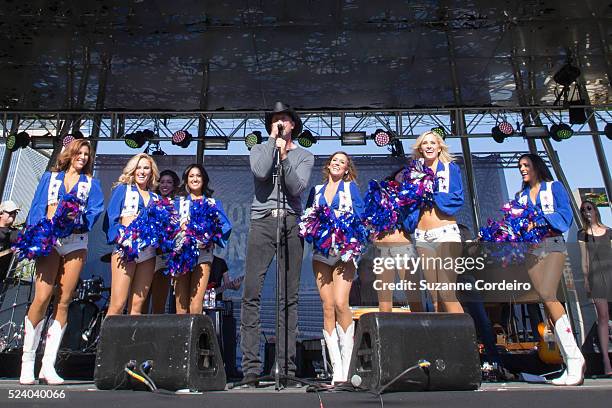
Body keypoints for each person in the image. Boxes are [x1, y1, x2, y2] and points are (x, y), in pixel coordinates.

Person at [238, 102, 314, 387]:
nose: (279, 123)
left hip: (291, 222)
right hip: (262, 222)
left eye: (284, 119)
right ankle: (251, 369)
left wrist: (285, 155)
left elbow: (295, 188)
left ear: (293, 124)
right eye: (275, 120)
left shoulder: (305, 155)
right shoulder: (259, 148)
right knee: (252, 293)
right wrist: (272, 143)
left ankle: (287, 367)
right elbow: (260, 172)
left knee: (288, 296)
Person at [20, 139, 104, 385]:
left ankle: (48, 365)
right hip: (49, 239)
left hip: (76, 240)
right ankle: (27, 362)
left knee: (64, 299)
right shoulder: (50, 178)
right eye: (80, 153)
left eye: (87, 154)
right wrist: (37, 233)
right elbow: (36, 208)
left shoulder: (92, 184)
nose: (84, 157)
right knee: (42, 296)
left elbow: (95, 210)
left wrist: (78, 217)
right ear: (70, 153)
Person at [515, 153, 584, 386]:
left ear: (536, 166)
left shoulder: (553, 187)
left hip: (552, 244)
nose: (522, 169)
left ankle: (576, 358)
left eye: (526, 165)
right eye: (520, 166)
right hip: (531, 250)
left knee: (548, 295)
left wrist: (539, 219)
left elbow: (564, 217)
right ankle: (567, 361)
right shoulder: (520, 196)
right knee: (545, 301)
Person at [305, 151, 364, 384]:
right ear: (328, 166)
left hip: (344, 254)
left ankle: (349, 366)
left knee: (341, 303)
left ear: (347, 169)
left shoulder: (351, 190)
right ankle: (336, 368)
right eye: (334, 161)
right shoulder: (316, 191)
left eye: (343, 162)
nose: (338, 164)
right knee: (327, 307)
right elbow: (308, 220)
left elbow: (360, 218)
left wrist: (352, 240)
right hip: (321, 253)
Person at [409, 130, 464, 313]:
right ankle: (443, 341)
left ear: (440, 147)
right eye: (425, 143)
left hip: (445, 232)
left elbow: (457, 198)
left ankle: (463, 341)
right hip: (422, 236)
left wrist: (432, 191)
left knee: (447, 293)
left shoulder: (450, 169)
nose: (429, 146)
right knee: (435, 298)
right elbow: (408, 202)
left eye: (433, 142)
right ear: (420, 148)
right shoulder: (414, 172)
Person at [103, 153, 159, 316]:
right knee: (118, 304)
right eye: (138, 167)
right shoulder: (123, 190)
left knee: (137, 306)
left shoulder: (155, 198)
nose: (142, 172)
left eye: (146, 168)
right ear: (133, 170)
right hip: (125, 250)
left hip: (147, 254)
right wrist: (121, 238)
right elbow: (110, 220)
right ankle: (108, 342)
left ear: (151, 172)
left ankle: (131, 342)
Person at [173, 164, 231, 315]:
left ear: (204, 180)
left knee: (196, 303)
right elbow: (168, 228)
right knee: (181, 305)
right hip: (182, 254)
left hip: (203, 254)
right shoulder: (178, 203)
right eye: (191, 176)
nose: (195, 179)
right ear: (186, 180)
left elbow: (225, 226)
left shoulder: (212, 203)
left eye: (198, 176)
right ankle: (182, 337)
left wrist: (212, 237)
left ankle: (194, 338)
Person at [372, 167, 422, 314]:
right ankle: (385, 335)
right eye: (401, 172)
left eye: (407, 174)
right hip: (382, 247)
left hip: (402, 245)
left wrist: (403, 202)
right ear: (394, 175)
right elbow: (369, 215)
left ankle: (421, 330)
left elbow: (411, 225)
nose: (403, 175)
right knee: (384, 296)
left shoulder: (412, 197)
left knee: (413, 294)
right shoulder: (381, 192)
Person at [578, 200, 612, 376]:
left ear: (596, 211)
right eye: (583, 210)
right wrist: (586, 280)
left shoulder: (608, 232)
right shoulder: (582, 234)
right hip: (596, 276)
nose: (586, 212)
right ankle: (606, 361)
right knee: (603, 316)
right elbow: (584, 259)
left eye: (589, 209)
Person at [145, 169, 180, 314]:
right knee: (140, 301)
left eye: (169, 182)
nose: (165, 185)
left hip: (163, 257)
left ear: (174, 185)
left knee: (159, 304)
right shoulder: (150, 200)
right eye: (162, 182)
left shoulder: (177, 205)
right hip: (146, 254)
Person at [0, 200, 20, 281]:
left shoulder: (16, 233)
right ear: (1, 213)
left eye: (15, 212)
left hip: (4, 280)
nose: (13, 214)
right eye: (10, 212)